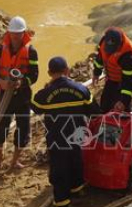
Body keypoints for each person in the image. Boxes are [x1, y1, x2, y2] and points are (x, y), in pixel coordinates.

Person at [32, 57, 97, 207]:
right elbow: (94, 111)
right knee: (76, 161)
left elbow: (35, 107)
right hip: (77, 135)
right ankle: (78, 189)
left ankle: (62, 200)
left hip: (57, 138)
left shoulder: (44, 95)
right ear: (67, 71)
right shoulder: (81, 89)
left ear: (49, 72)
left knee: (59, 167)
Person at [0, 16, 39, 173]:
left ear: (24, 33)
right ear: (9, 33)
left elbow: (34, 75)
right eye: (13, 33)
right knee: (1, 127)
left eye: (19, 33)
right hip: (4, 95)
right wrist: (0, 82)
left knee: (23, 129)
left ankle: (15, 160)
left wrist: (22, 82)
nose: (15, 36)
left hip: (23, 97)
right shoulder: (0, 50)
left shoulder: (31, 52)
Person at [92, 27, 132, 113]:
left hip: (123, 81)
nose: (110, 52)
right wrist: (96, 73)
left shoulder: (127, 57)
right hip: (111, 79)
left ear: (119, 44)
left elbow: (130, 81)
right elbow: (100, 58)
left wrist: (124, 101)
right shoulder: (103, 41)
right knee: (105, 104)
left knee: (122, 108)